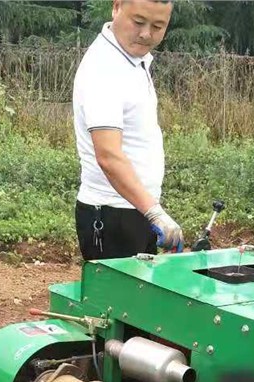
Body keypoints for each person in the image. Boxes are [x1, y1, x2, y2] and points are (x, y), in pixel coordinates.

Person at [72, 0, 184, 260]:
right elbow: (108, 155)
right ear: (116, 7)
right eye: (138, 22)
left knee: (142, 299)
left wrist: (149, 211)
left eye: (158, 26)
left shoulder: (132, 59)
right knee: (118, 300)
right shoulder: (105, 69)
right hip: (111, 216)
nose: (146, 34)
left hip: (136, 210)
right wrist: (155, 213)